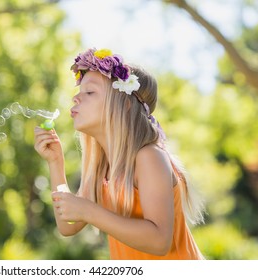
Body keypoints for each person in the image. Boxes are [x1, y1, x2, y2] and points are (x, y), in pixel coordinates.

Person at [34, 48, 205, 260]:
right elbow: (67, 224)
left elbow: (160, 241)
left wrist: (88, 211)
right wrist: (55, 163)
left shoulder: (148, 157)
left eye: (89, 92)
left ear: (124, 104)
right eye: (79, 92)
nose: (76, 98)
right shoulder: (101, 169)